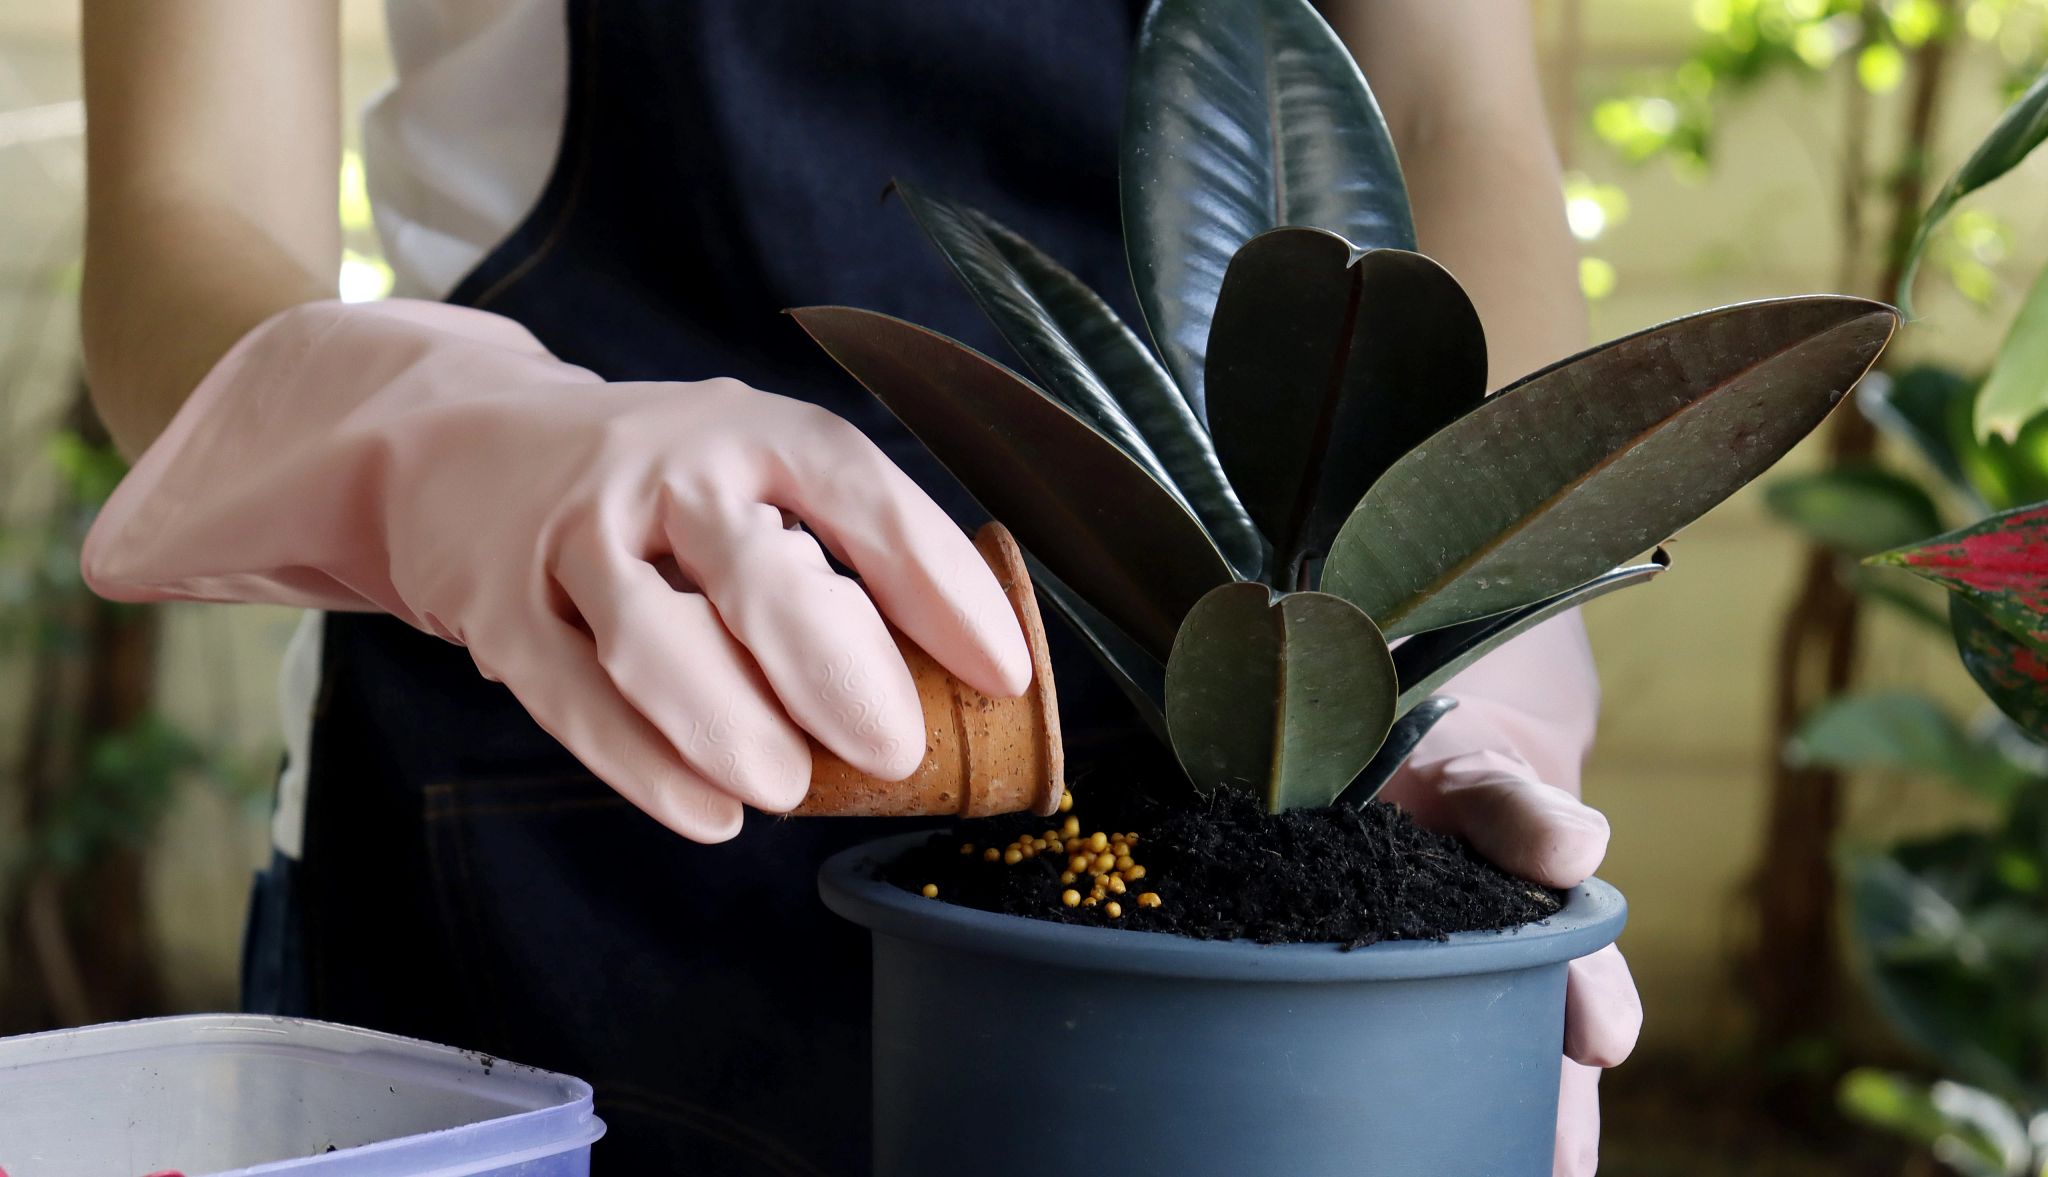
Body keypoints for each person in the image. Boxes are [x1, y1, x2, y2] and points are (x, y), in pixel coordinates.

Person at [78, 1, 1642, 1172]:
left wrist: (1468, 662)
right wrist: (440, 442)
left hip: (1234, 877)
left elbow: (1441, 116)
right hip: (533, 822)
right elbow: (180, 206)